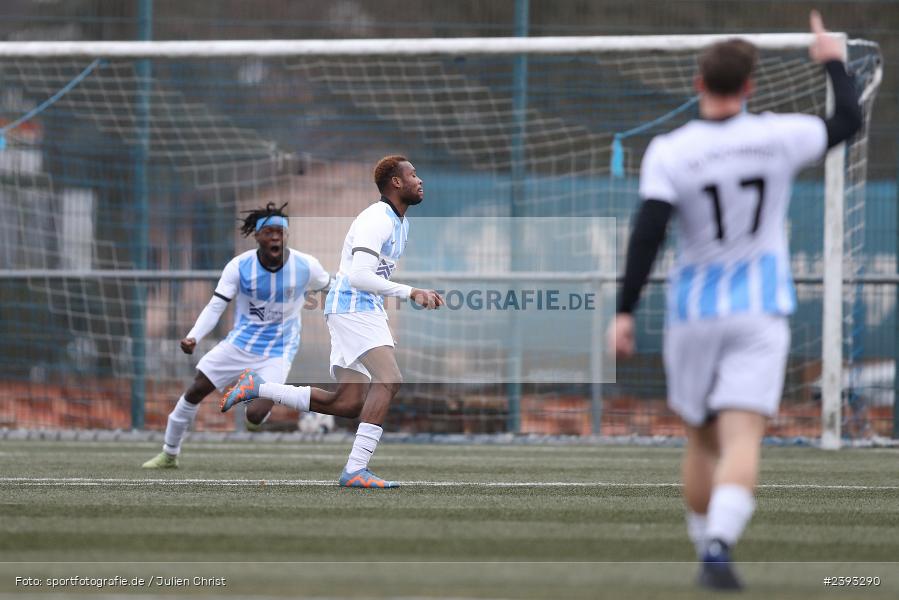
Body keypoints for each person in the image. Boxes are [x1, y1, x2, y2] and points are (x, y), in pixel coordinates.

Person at [608, 11, 861, 591]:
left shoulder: (671, 151)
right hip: (759, 312)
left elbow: (648, 233)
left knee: (700, 437)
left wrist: (624, 310)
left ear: (699, 83)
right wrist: (831, 61)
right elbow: (849, 118)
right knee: (743, 436)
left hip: (693, 315)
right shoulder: (777, 135)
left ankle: (706, 546)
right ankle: (719, 544)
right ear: (750, 87)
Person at [221, 156, 443, 488]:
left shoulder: (401, 222)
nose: (419, 180)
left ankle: (258, 388)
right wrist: (411, 292)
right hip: (353, 306)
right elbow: (359, 276)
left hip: (360, 308)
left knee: (349, 403)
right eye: (413, 175)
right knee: (389, 379)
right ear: (396, 183)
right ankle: (355, 470)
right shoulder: (376, 219)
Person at [142, 202, 332, 468]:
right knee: (195, 390)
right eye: (269, 232)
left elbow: (333, 290)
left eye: (281, 232)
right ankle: (169, 453)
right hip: (239, 345)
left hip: (278, 351)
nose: (276, 237)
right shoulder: (239, 266)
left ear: (286, 236)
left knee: (254, 416)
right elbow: (216, 305)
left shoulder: (306, 266)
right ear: (257, 236)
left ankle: (255, 417)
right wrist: (194, 336)